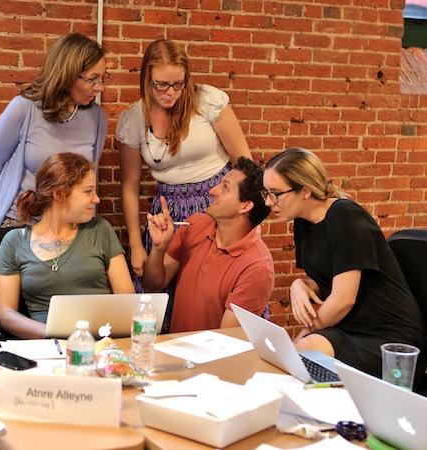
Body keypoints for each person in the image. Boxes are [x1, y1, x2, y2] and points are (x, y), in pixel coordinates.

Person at [115, 39, 252, 330]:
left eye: (178, 84)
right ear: (146, 79)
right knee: (160, 297)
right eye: (161, 85)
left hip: (217, 205)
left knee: (213, 293)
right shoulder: (132, 119)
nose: (171, 93)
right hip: (170, 212)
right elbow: (129, 187)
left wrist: (249, 219)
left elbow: (244, 163)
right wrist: (136, 246)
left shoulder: (208, 101)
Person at [263, 147, 427, 388]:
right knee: (299, 357)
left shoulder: (345, 216)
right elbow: (326, 279)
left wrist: (304, 335)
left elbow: (343, 300)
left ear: (305, 191)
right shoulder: (302, 221)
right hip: (349, 326)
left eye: (276, 193)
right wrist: (299, 284)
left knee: (303, 353)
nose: (268, 202)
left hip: (389, 338)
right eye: (266, 193)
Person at [0, 152, 134, 339]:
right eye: (88, 191)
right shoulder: (14, 242)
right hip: (46, 348)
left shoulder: (100, 230)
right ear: (59, 194)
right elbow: (5, 314)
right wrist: (53, 333)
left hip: (101, 343)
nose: (96, 199)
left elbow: (127, 300)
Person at [0, 33, 109, 231]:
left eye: (103, 78)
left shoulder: (97, 117)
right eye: (93, 79)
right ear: (67, 75)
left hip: (68, 227)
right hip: (20, 223)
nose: (99, 87)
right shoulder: (23, 108)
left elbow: (89, 173)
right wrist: (27, 208)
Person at [142, 157, 274, 332]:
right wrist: (159, 248)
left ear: (245, 206)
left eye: (225, 188)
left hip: (211, 358)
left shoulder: (258, 267)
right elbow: (152, 284)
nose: (212, 190)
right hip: (176, 353)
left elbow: (226, 340)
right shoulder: (195, 224)